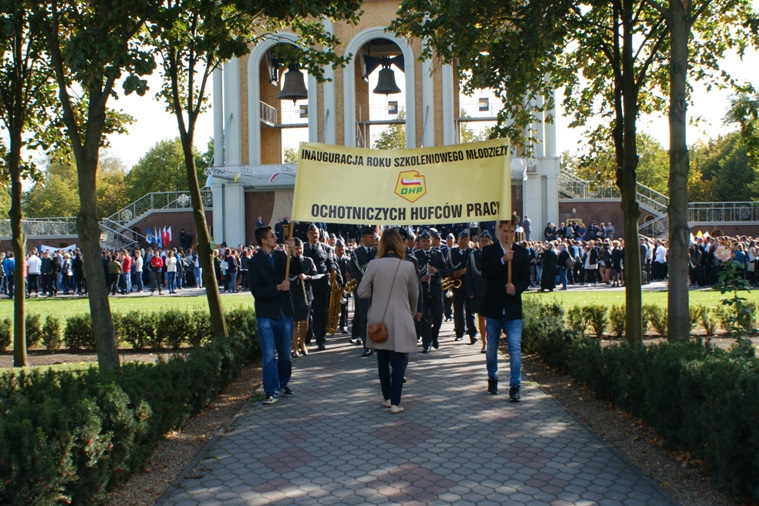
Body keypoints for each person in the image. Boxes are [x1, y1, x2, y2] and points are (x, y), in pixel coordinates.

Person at [357, 228, 420, 414]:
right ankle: (396, 403)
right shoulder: (408, 266)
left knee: (382, 359)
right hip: (401, 318)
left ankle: (387, 398)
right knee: (399, 361)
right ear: (400, 244)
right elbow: (414, 295)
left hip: (379, 319)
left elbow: (362, 292)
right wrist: (411, 312)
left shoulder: (373, 264)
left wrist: (377, 293)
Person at [481, 219, 531, 402]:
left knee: (515, 348)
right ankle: (492, 377)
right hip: (494, 307)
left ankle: (515, 386)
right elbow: (486, 273)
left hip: (512, 308)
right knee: (492, 348)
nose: (507, 235)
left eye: (511, 231)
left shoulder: (522, 252)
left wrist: (516, 289)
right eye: (504, 230)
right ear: (498, 230)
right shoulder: (489, 251)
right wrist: (502, 260)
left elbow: (526, 279)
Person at [249, 226, 294, 405]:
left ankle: (283, 383)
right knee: (268, 355)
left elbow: (297, 269)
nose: (276, 238)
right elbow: (256, 290)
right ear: (263, 241)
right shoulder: (254, 262)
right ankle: (271, 390)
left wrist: (293, 253)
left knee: (285, 354)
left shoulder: (282, 256)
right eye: (272, 236)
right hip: (266, 314)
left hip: (283, 312)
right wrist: (277, 288)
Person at [289, 238, 316, 357]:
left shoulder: (308, 260)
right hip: (293, 294)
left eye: (300, 248)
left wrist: (307, 277)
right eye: (296, 248)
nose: (299, 250)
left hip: (306, 294)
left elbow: (315, 275)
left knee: (305, 321)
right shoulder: (288, 261)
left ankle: (302, 343)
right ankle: (295, 347)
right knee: (294, 322)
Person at [465, 231, 491, 352]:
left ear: (490, 242)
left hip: (491, 290)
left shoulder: (494, 254)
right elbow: (469, 274)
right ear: (479, 242)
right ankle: (484, 343)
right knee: (481, 318)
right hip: (478, 291)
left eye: (486, 241)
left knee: (492, 319)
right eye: (482, 241)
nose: (484, 243)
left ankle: (491, 342)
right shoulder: (473, 255)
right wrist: (470, 291)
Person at [449, 229, 477, 344]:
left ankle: (472, 334)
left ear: (468, 240)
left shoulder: (472, 252)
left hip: (469, 285)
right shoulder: (452, 252)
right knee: (458, 310)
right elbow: (447, 266)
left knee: (470, 311)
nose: (463, 242)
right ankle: (459, 333)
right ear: (458, 239)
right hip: (457, 285)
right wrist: (452, 273)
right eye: (461, 239)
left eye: (465, 239)